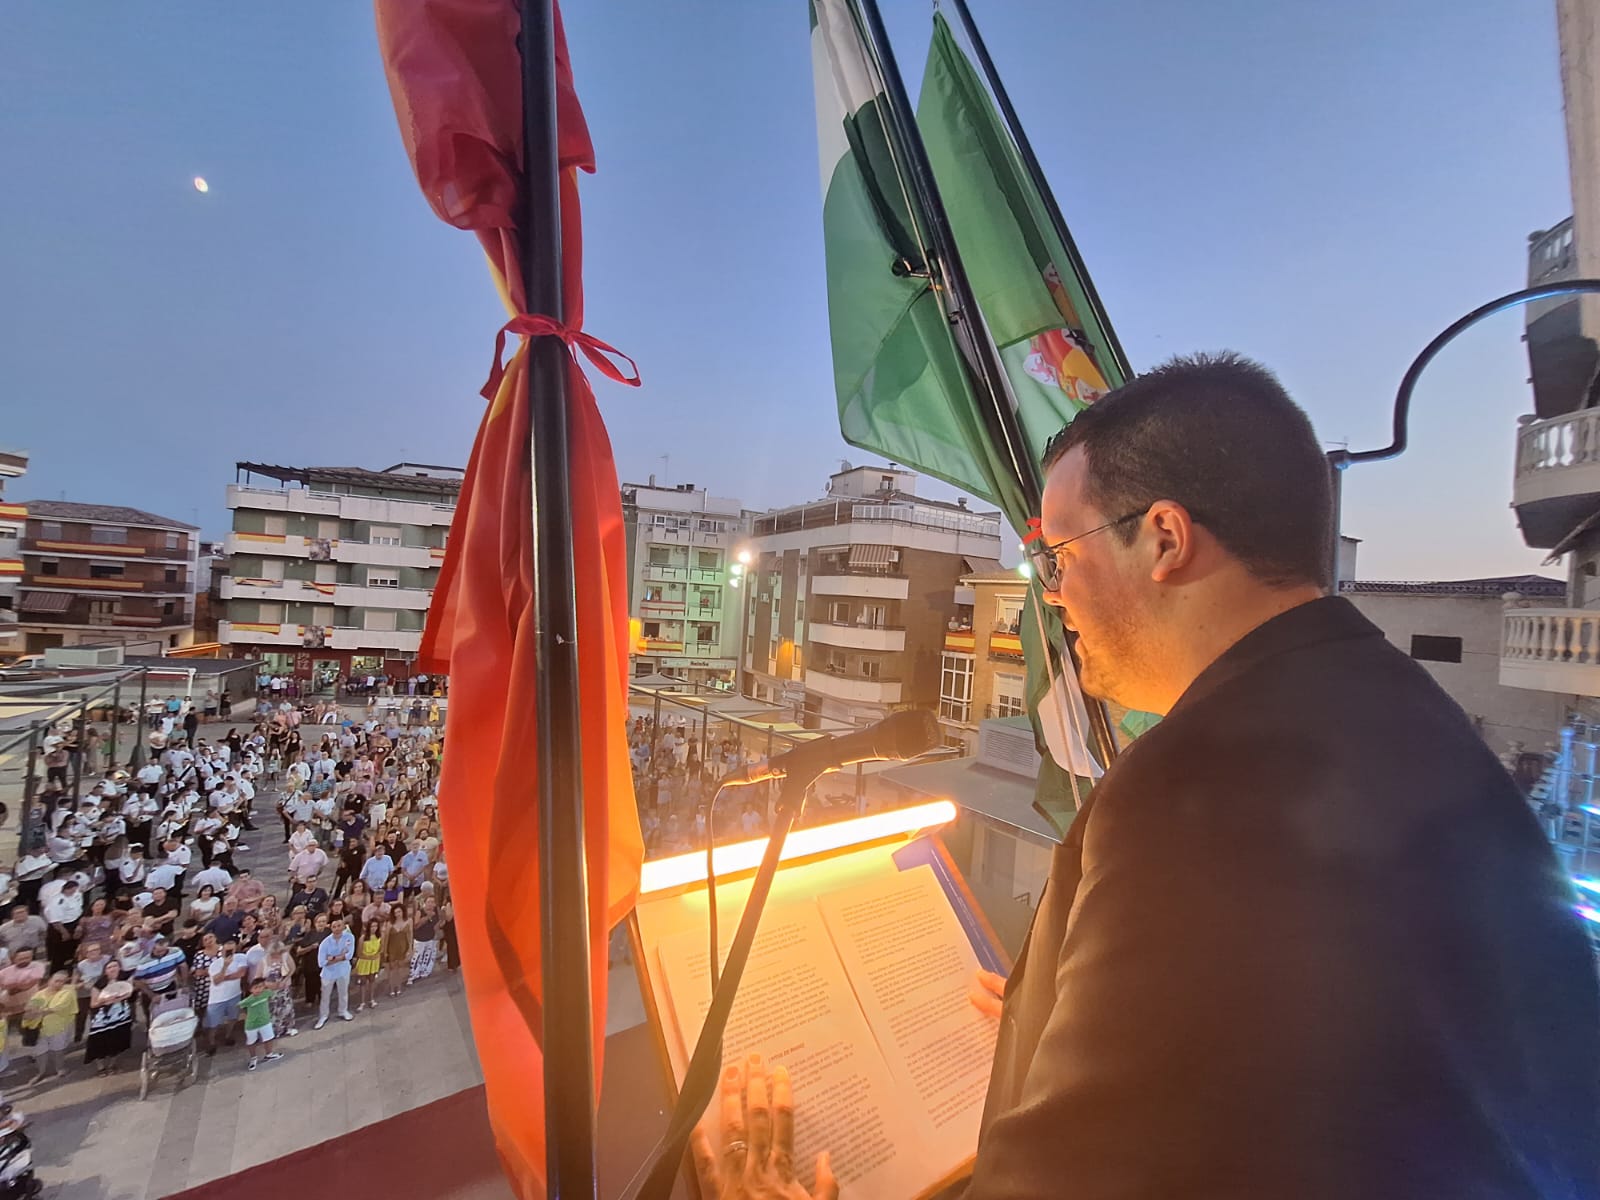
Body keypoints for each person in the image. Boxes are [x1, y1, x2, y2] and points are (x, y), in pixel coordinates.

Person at [846, 353, 1600, 1198]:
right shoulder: (1407, 716)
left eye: (1061, 553)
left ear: (1165, 539)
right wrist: (1052, 1028)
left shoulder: (1199, 792)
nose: (1051, 595)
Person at [23, 971, 77, 1084]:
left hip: (58, 1027)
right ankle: (41, 1073)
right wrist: (32, 1011)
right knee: (40, 1052)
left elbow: (57, 1007)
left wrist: (38, 1011)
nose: (59, 983)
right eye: (57, 980)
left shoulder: (67, 993)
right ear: (49, 981)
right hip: (38, 1028)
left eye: (62, 981)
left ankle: (60, 1069)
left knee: (58, 1050)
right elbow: (30, 1008)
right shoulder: (40, 994)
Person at [84, 959, 134, 1075]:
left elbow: (129, 993)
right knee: (99, 1041)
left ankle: (112, 1064)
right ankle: (101, 1067)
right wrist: (104, 1001)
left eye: (115, 966)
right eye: (109, 967)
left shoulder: (125, 979)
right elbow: (93, 1004)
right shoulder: (98, 985)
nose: (112, 969)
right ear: (105, 971)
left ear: (119, 968)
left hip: (121, 1015)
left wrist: (117, 999)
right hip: (103, 1018)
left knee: (118, 1039)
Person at [204, 939, 247, 1054]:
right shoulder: (215, 964)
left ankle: (228, 1036)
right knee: (213, 1023)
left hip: (234, 994)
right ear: (222, 950)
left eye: (232, 950)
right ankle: (211, 1042)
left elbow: (241, 973)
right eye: (227, 950)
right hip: (217, 998)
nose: (230, 952)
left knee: (233, 1018)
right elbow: (216, 981)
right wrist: (225, 967)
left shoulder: (241, 958)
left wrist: (224, 977)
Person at [314, 916, 355, 1029]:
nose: (337, 929)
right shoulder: (325, 943)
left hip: (343, 970)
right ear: (330, 928)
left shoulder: (349, 937)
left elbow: (349, 955)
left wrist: (332, 958)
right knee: (325, 995)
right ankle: (323, 1016)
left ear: (343, 926)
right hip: (328, 973)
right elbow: (321, 962)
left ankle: (343, 1011)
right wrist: (339, 957)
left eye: (339, 926)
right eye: (334, 926)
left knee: (343, 992)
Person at [238, 978, 284, 1071]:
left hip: (265, 1022)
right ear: (251, 989)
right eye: (256, 987)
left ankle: (269, 1054)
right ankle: (253, 1058)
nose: (259, 990)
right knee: (251, 1042)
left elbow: (276, 987)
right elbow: (240, 1007)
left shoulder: (266, 993)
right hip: (251, 1025)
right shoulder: (248, 1000)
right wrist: (245, 1016)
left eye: (261, 987)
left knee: (269, 1038)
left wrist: (269, 984)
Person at [381, 904, 412, 999]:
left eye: (399, 912)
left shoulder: (409, 921)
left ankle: (398, 987)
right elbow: (386, 938)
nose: (397, 914)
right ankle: (391, 989)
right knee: (392, 969)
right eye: (395, 913)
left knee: (400, 968)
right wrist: (385, 951)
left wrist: (410, 948)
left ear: (403, 912)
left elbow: (410, 935)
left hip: (403, 947)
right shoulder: (390, 923)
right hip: (392, 948)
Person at [354, 919, 382, 1011]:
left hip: (374, 961)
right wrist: (369, 957)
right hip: (364, 962)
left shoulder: (379, 937)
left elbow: (380, 949)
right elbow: (359, 953)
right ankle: (362, 1002)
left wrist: (376, 956)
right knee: (363, 982)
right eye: (372, 926)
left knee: (372, 980)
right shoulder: (363, 938)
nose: (374, 928)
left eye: (375, 926)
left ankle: (371, 999)